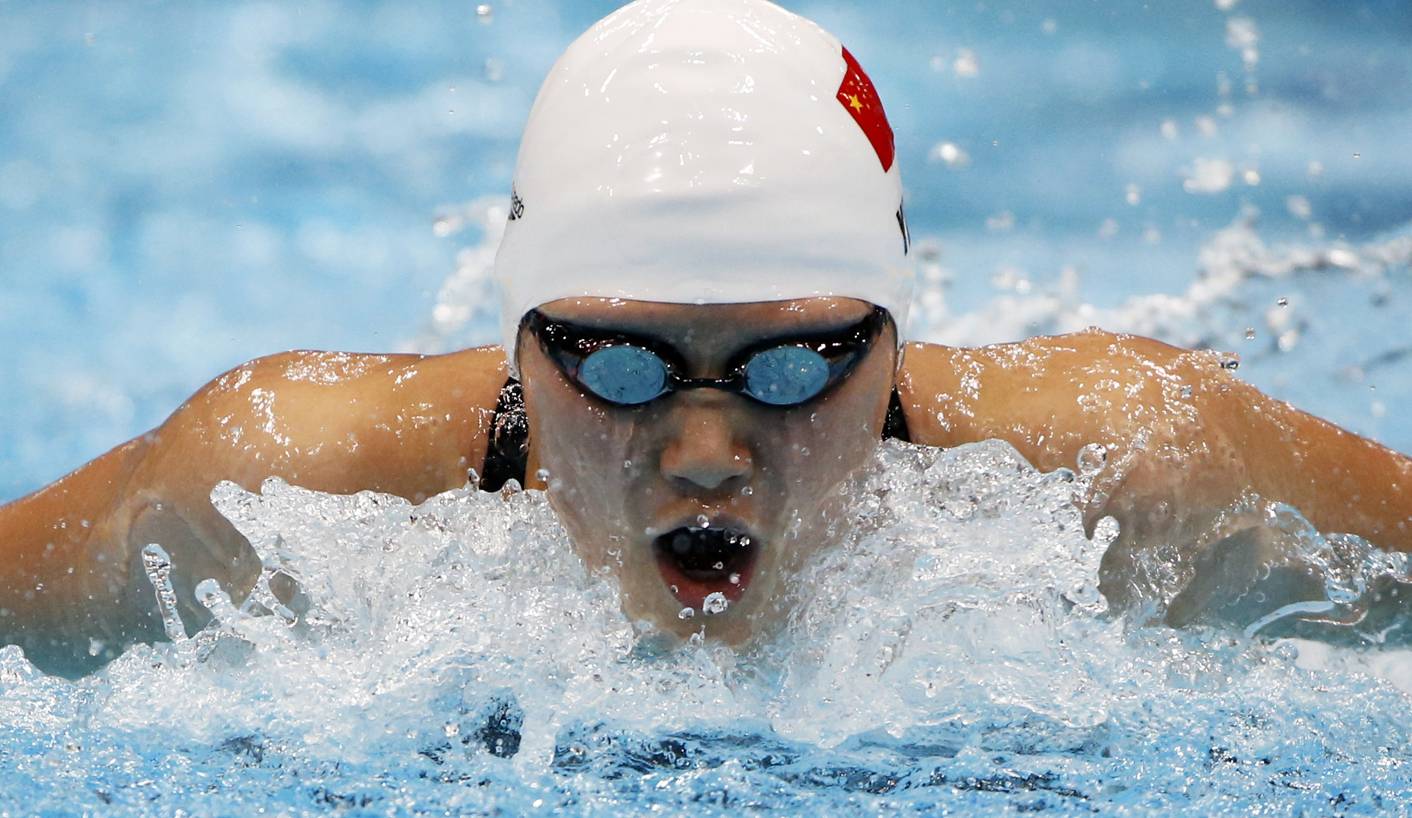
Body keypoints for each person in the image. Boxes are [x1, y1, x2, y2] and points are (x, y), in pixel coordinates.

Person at [3, 0, 1411, 677]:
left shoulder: (1134, 470)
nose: (703, 448)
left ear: (893, 343)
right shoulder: (272, 498)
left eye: (797, 363)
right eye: (615, 359)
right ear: (520, 345)